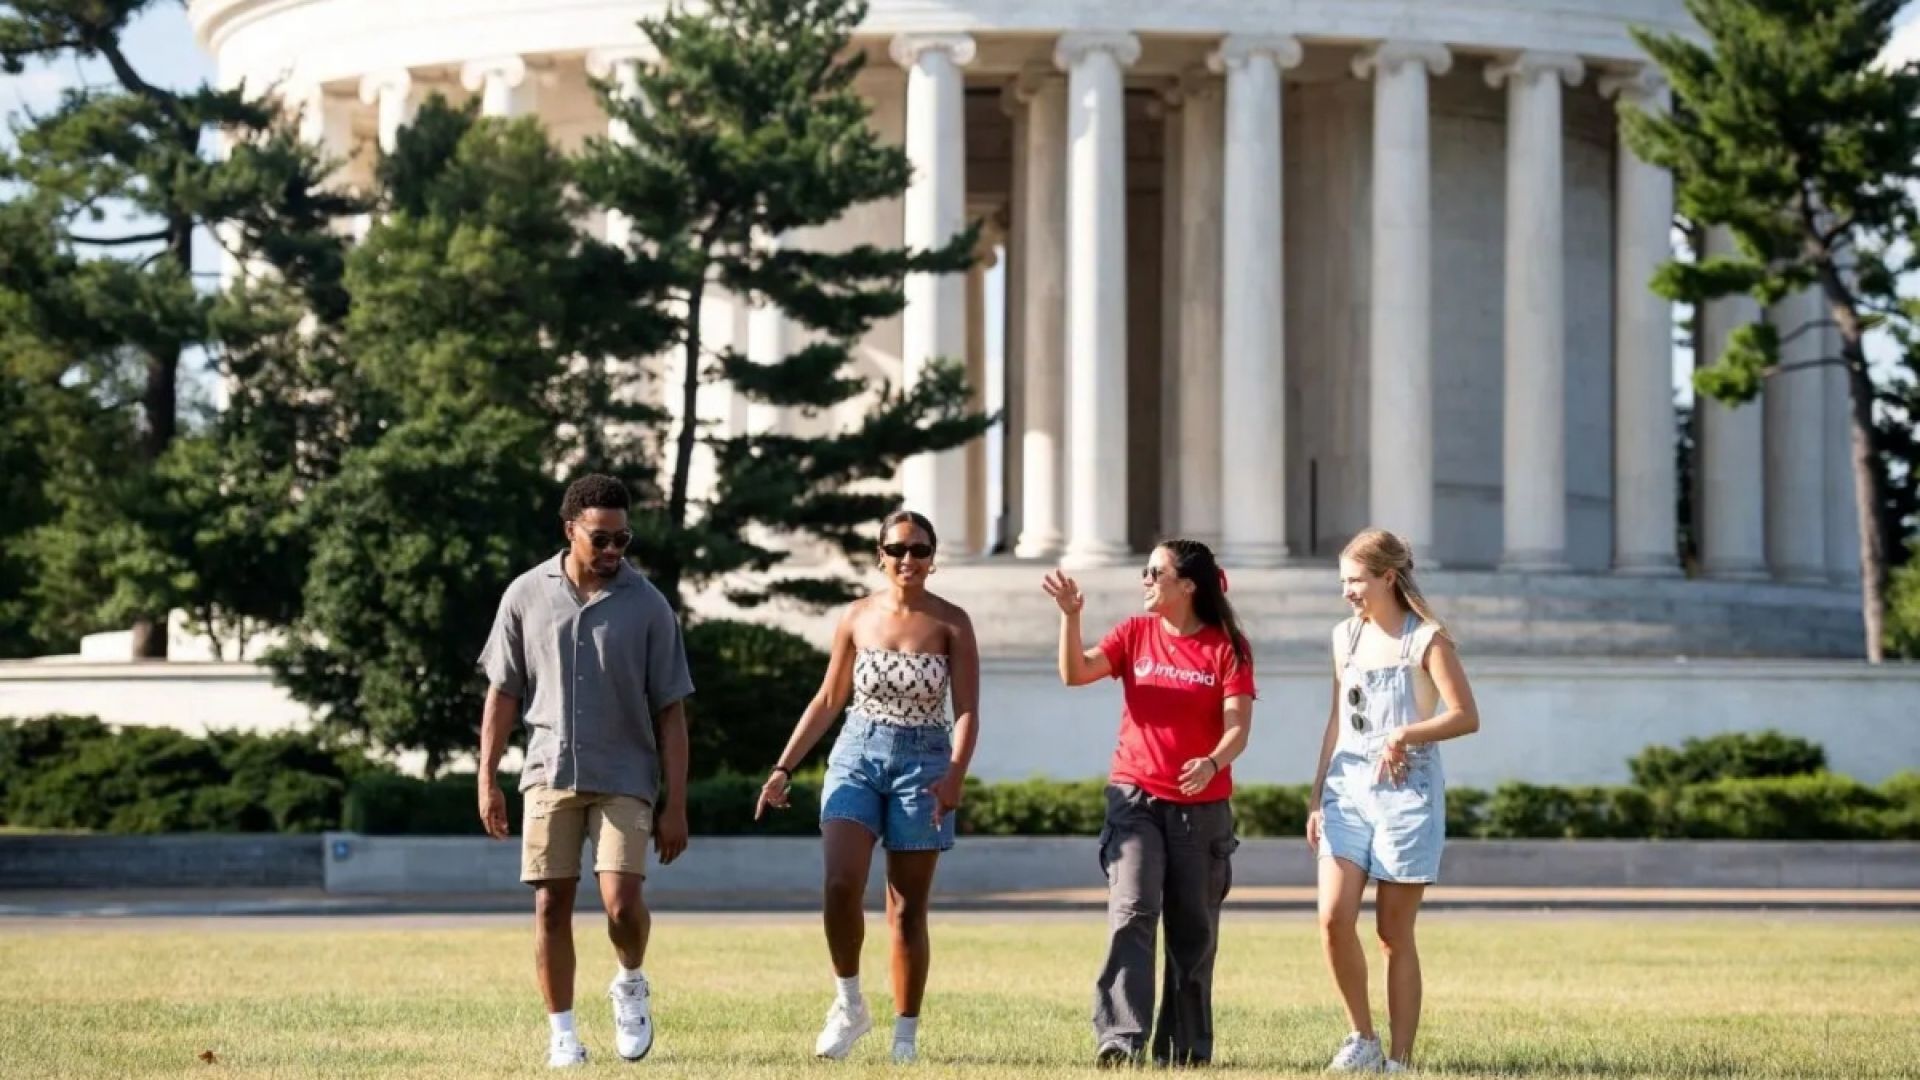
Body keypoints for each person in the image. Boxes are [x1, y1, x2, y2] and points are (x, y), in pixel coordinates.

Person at [476, 474, 695, 1069]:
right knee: (551, 906)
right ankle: (563, 1035)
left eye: (623, 540)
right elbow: (503, 692)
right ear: (570, 530)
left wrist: (676, 804)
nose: (613, 553)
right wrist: (487, 776)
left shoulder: (649, 606)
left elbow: (671, 714)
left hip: (627, 775)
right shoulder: (524, 595)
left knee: (622, 904)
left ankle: (630, 982)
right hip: (548, 772)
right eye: (601, 540)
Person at [755, 509, 981, 1064]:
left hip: (924, 763)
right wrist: (783, 768)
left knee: (906, 908)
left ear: (934, 558)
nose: (909, 560)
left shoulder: (953, 622)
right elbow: (829, 698)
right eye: (898, 549)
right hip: (857, 752)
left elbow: (968, 710)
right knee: (840, 883)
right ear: (880, 555)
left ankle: (905, 1035)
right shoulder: (856, 616)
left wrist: (955, 773)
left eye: (920, 550)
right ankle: (849, 1003)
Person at [1041, 539, 1254, 1068]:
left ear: (1187, 586)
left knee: (1192, 928)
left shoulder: (1227, 647)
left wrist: (1211, 762)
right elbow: (1076, 673)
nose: (1146, 580)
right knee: (1132, 909)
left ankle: (1184, 1050)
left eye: (1155, 572)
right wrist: (1071, 618)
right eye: (1146, 571)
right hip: (1134, 797)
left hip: (1200, 809)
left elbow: (1238, 730)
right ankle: (1120, 1040)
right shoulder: (1134, 634)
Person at [1309, 528, 1480, 1074]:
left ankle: (1400, 1061)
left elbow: (1465, 715)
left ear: (1387, 577)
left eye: (1355, 581)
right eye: (1343, 582)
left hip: (1408, 793)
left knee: (1391, 933)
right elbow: (1338, 720)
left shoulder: (1427, 640)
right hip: (1347, 789)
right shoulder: (1344, 638)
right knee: (1333, 918)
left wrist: (1406, 735)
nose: (1347, 593)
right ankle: (1363, 1038)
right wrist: (1318, 796)